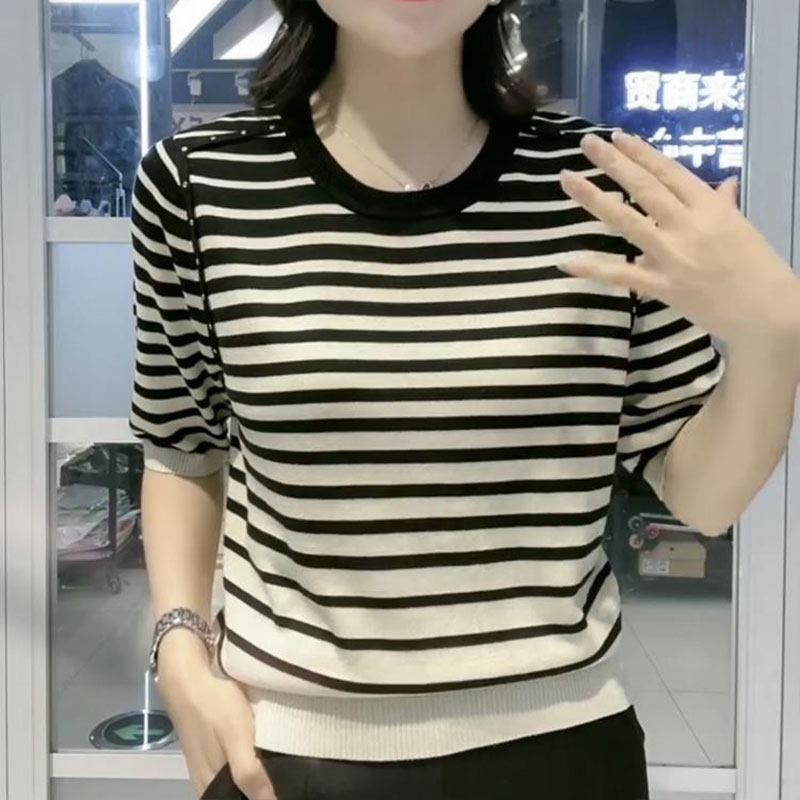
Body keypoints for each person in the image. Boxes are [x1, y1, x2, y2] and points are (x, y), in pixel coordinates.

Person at [129, 1, 800, 799]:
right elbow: (183, 449)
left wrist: (774, 335)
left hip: (562, 752)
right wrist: (180, 648)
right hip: (284, 754)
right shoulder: (199, 185)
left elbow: (703, 498)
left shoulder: (606, 185)